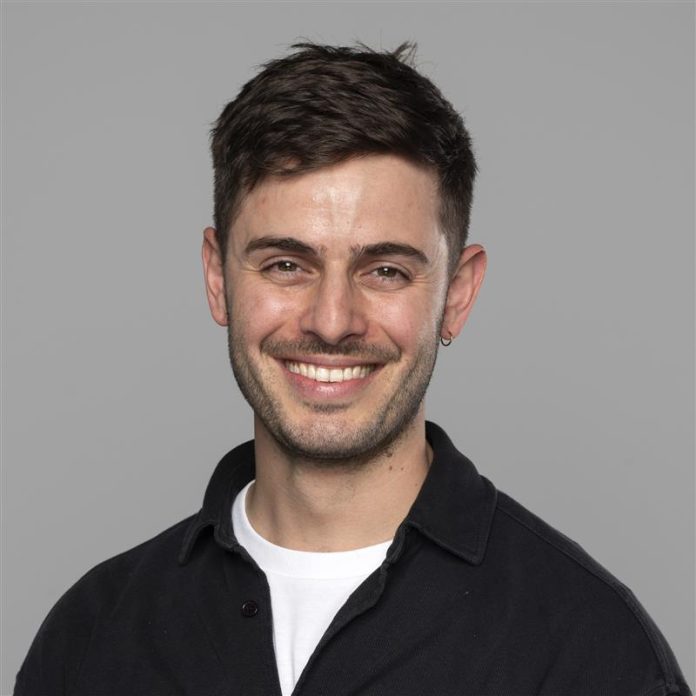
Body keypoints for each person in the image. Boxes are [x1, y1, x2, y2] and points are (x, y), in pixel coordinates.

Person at [14, 42, 691, 696]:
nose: (332, 321)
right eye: (286, 264)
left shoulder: (592, 652)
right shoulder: (90, 637)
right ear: (217, 279)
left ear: (457, 295)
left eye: (385, 270)